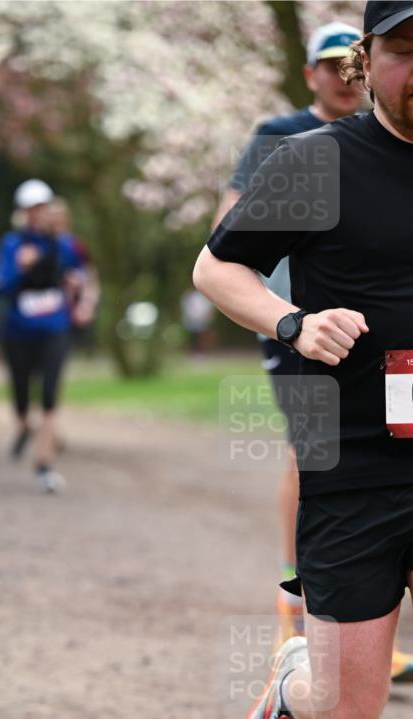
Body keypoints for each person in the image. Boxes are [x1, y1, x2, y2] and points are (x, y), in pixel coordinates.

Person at [193, 0, 412, 719]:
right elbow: (216, 268)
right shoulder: (316, 161)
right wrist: (293, 322)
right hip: (355, 461)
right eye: (403, 49)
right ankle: (293, 689)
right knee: (350, 712)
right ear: (364, 60)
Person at [213, 20, 364, 643]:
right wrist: (281, 312)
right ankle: (297, 603)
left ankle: (360, 620)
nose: (339, 74)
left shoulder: (381, 143)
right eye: (327, 65)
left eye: (347, 61)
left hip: (364, 328)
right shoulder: (280, 137)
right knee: (313, 451)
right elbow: (226, 230)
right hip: (293, 326)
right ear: (310, 75)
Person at [0, 180, 87, 493]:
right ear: (23, 212)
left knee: (49, 394)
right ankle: (22, 426)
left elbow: (80, 276)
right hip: (18, 331)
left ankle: (44, 463)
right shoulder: (11, 244)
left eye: (42, 207)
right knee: (21, 393)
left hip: (54, 328)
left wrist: (76, 288)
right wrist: (21, 267)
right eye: (32, 209)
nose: (38, 214)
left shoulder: (63, 243)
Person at [48, 197, 100, 354]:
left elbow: (90, 276)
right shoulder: (39, 244)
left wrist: (87, 304)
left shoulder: (75, 245)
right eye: (53, 215)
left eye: (60, 215)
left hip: (68, 309)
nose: (57, 219)